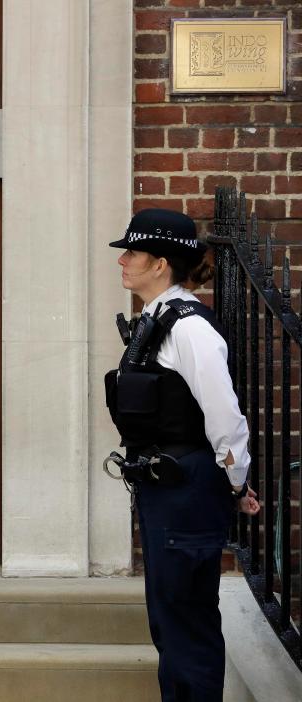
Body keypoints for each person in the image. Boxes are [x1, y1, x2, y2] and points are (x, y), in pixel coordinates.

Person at [105, 208, 260, 701]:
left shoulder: (189, 328)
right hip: (162, 484)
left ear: (160, 264)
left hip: (185, 486)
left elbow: (225, 416)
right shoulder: (156, 320)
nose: (123, 261)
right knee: (169, 620)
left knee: (186, 622)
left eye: (133, 252)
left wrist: (236, 483)